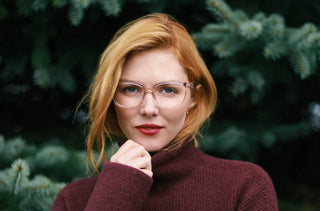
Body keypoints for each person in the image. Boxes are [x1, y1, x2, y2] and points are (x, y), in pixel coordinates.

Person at [52, 13, 278, 210]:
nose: (148, 109)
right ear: (111, 96)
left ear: (194, 97)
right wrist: (114, 195)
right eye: (130, 89)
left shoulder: (243, 186)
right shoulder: (74, 200)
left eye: (168, 90)